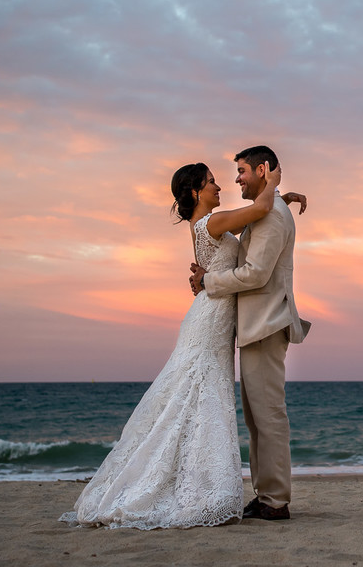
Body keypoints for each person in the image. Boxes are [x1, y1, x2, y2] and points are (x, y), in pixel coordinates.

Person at [60, 161, 305, 529]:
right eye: (211, 182)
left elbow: (257, 216)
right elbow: (259, 209)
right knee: (196, 397)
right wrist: (273, 182)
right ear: (195, 192)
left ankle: (196, 484)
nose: (220, 186)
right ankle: (192, 488)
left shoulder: (212, 223)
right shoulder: (212, 223)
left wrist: (281, 197)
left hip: (214, 317)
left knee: (197, 399)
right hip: (209, 320)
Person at [189, 144, 309, 521]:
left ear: (261, 170)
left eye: (241, 171)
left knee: (268, 416)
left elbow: (256, 274)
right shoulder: (267, 210)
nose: (236, 179)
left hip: (266, 324)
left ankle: (275, 500)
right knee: (257, 419)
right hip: (256, 325)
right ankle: (266, 494)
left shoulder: (271, 216)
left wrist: (208, 281)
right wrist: (279, 194)